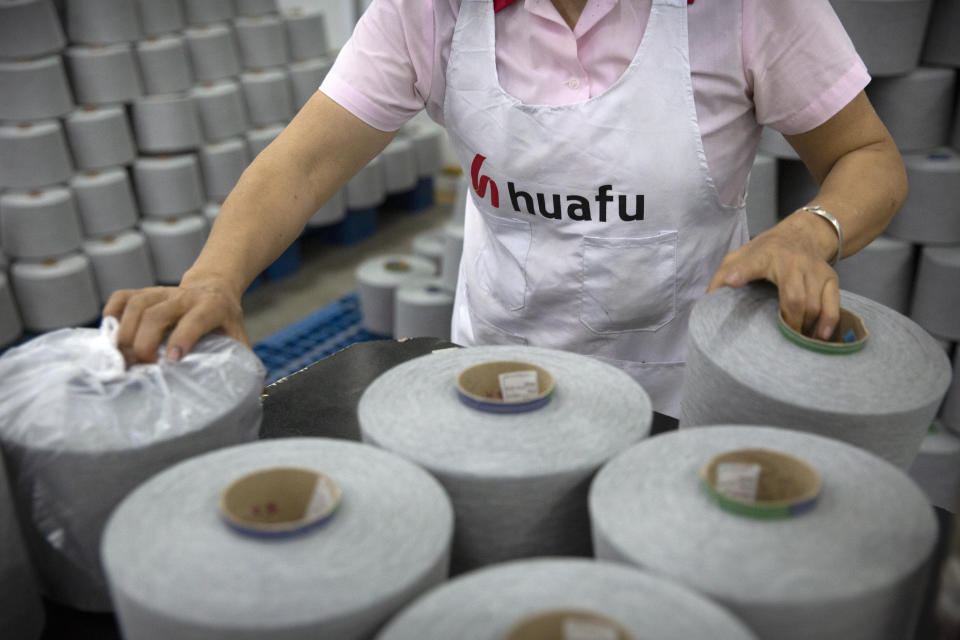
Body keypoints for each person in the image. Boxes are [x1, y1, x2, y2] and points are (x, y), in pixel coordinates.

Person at [105, 0, 907, 416]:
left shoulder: (745, 12)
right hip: (498, 376)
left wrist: (813, 229)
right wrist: (215, 278)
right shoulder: (431, 13)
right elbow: (304, 162)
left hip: (681, 393)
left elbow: (866, 158)